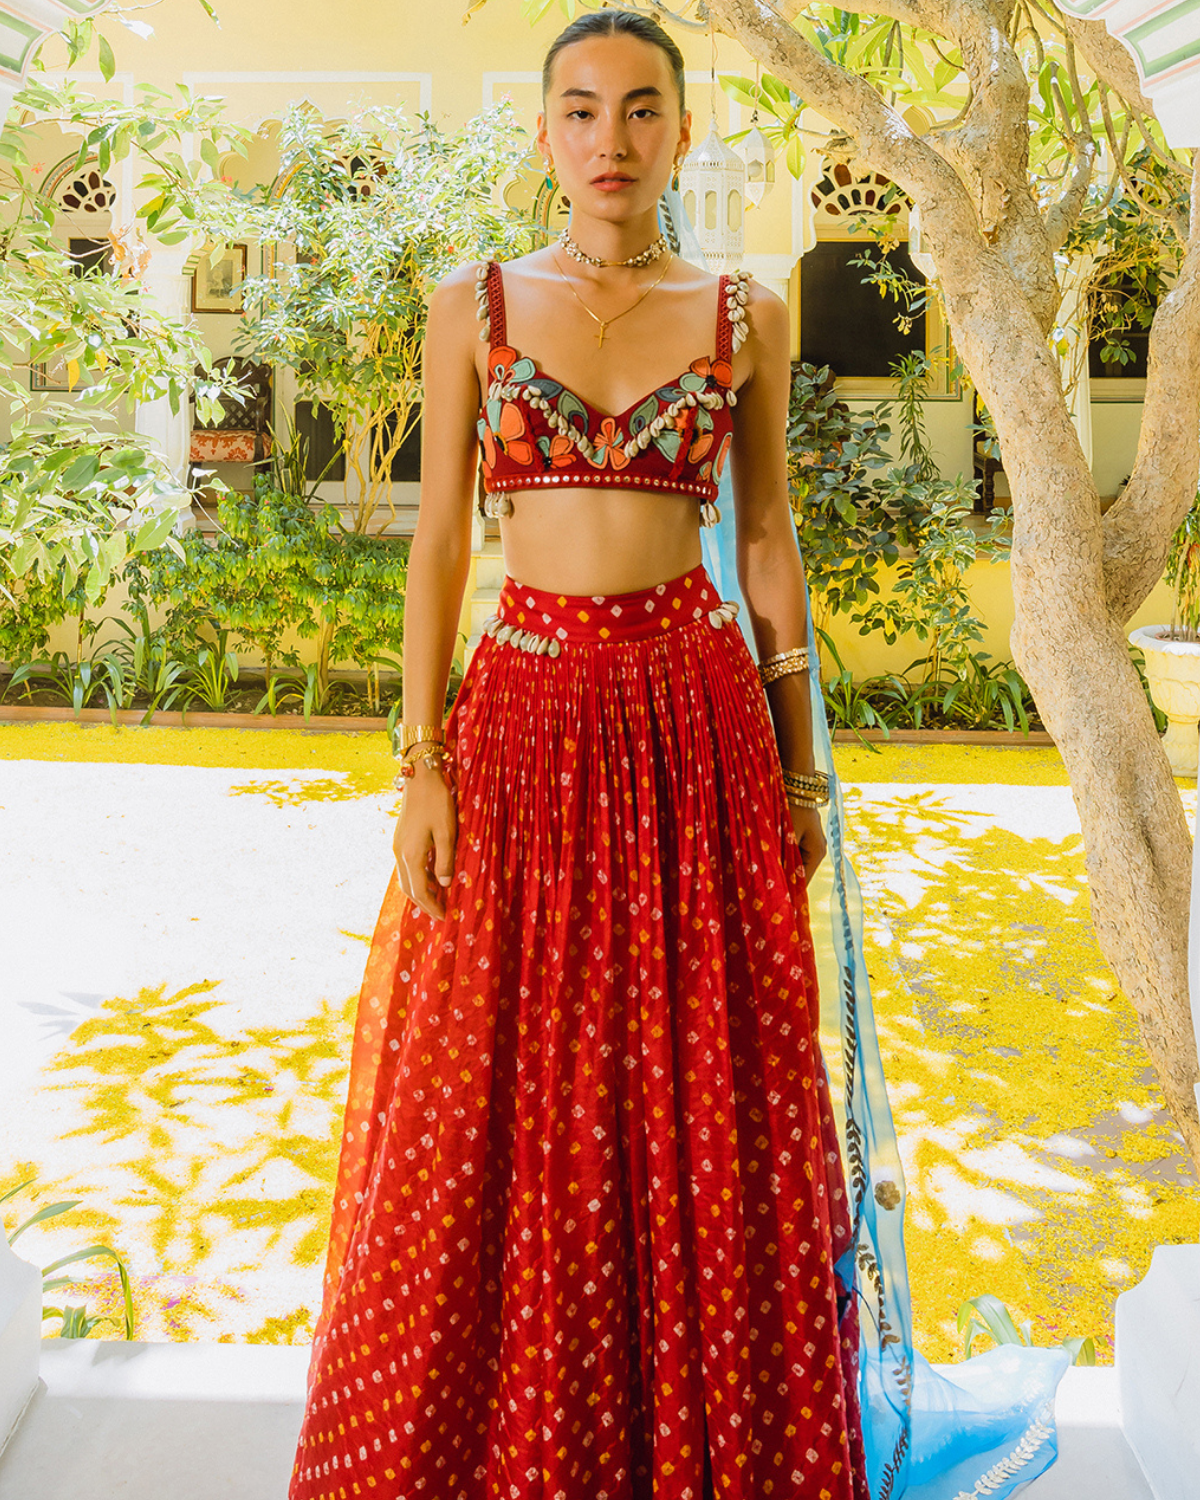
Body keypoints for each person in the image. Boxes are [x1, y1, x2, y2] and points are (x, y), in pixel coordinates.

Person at [289, 12, 870, 1498]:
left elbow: (766, 541)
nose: (610, 139)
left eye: (640, 109)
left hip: (697, 727)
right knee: (496, 1088)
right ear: (542, 132)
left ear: (681, 128)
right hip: (525, 724)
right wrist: (420, 760)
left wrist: (802, 769)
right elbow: (433, 549)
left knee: (700, 1088)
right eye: (580, 110)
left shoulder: (745, 309)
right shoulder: (470, 305)